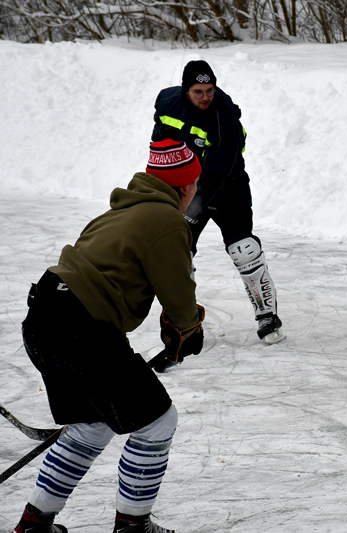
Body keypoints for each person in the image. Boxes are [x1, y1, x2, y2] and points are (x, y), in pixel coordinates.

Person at [13, 139, 205, 533]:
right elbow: (178, 294)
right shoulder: (167, 220)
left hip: (43, 318)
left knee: (92, 424)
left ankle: (35, 523)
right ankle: (133, 527)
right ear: (186, 187)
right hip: (80, 331)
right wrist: (187, 329)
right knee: (157, 422)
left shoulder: (114, 214)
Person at [151, 59, 284, 360]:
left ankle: (267, 315)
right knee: (177, 251)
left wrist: (190, 209)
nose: (205, 97)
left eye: (210, 90)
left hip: (228, 186)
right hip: (184, 185)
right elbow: (160, 144)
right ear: (186, 90)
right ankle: (184, 325)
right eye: (198, 91)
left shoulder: (225, 117)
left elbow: (216, 172)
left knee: (243, 249)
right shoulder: (167, 101)